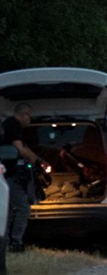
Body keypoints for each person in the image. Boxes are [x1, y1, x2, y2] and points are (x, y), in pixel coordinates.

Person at [2, 103, 49, 253]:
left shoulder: (12, 126)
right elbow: (20, 149)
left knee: (8, 210)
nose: (30, 118)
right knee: (23, 208)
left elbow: (26, 148)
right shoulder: (13, 125)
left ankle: (6, 242)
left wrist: (40, 161)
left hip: (7, 175)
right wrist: (36, 162)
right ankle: (15, 242)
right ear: (23, 114)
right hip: (10, 174)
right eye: (29, 115)